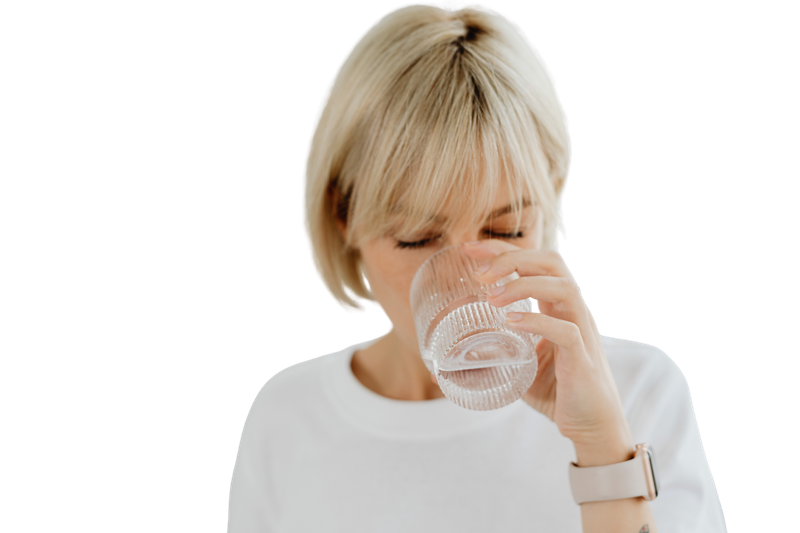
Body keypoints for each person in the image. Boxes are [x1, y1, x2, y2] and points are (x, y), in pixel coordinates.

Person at [226, 2, 728, 531]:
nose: (473, 280)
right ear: (342, 216)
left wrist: (601, 446)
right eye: (417, 237)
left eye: (506, 230)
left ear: (551, 200)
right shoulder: (288, 419)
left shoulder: (636, 394)